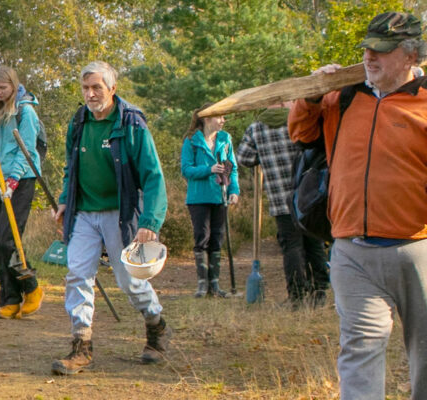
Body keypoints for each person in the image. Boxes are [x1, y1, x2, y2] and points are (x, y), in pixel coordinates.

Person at [288, 12, 427, 400]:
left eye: (382, 50)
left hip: (418, 248)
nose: (370, 57)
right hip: (353, 250)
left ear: (411, 55)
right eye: (367, 48)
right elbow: (300, 132)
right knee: (359, 350)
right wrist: (314, 91)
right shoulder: (344, 97)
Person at [51, 61, 170, 375]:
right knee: (77, 274)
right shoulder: (78, 123)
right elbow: (70, 169)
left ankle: (156, 326)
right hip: (84, 214)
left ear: (112, 89)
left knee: (129, 282)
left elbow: (153, 177)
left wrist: (150, 222)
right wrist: (65, 201)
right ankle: (81, 347)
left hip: (122, 214)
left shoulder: (132, 124)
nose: (91, 94)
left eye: (97, 88)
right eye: (86, 88)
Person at [236, 103, 329, 307]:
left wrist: (263, 155)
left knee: (292, 248)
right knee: (314, 244)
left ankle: (297, 295)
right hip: (307, 196)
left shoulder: (256, 128)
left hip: (280, 199)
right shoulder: (297, 121)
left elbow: (244, 158)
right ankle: (320, 291)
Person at [0, 66, 44, 319]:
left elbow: (26, 148)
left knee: (9, 240)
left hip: (20, 178)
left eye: (3, 88)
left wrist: (14, 178)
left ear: (14, 86)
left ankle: (32, 288)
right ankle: (10, 299)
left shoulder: (25, 112)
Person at [180, 105, 239, 298]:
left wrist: (234, 191)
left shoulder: (225, 139)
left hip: (220, 196)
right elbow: (186, 170)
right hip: (198, 197)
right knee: (202, 237)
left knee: (217, 238)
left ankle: (215, 285)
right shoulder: (191, 141)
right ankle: (202, 284)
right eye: (219, 117)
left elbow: (233, 168)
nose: (223, 121)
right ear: (206, 119)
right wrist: (208, 170)